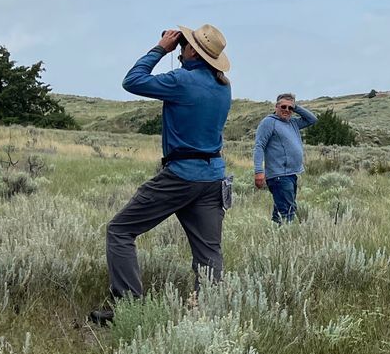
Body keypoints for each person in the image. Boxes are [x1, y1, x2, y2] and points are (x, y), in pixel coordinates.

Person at [89, 25, 232, 324]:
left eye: (186, 44)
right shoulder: (223, 85)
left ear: (192, 51)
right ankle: (207, 314)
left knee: (120, 230)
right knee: (208, 252)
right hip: (214, 176)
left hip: (181, 175)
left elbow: (133, 81)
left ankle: (129, 308)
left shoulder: (182, 80)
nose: (182, 47)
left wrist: (161, 49)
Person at [252, 93, 316, 223]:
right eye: (283, 106)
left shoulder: (293, 123)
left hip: (291, 174)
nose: (286, 110)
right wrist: (259, 171)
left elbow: (312, 119)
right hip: (279, 175)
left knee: (281, 211)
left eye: (290, 108)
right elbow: (259, 146)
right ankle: (285, 238)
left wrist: (296, 106)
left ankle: (275, 236)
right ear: (276, 106)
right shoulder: (269, 122)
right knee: (287, 211)